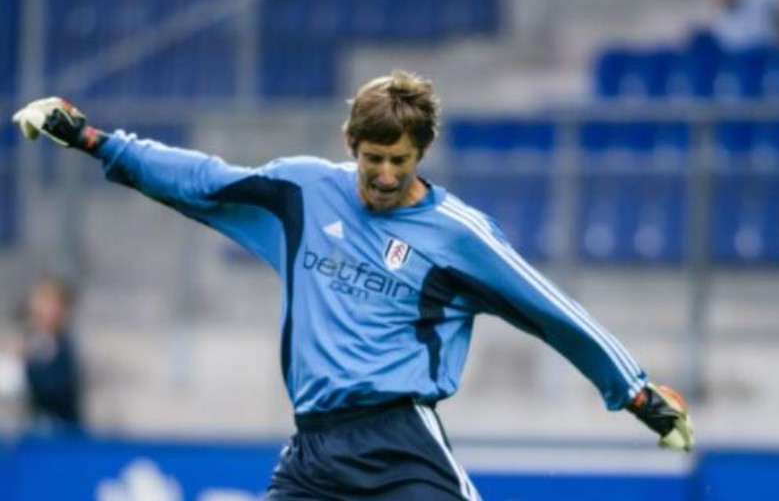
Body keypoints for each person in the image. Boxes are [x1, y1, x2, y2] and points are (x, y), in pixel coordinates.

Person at [12, 75, 693, 499]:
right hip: (313, 452)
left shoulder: (458, 235)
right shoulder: (304, 191)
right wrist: (93, 139)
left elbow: (550, 310)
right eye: (374, 159)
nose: (386, 175)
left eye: (400, 161)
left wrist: (632, 391)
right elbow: (200, 179)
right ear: (350, 144)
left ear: (419, 154)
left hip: (401, 447)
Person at [0, 278, 83, 432]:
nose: (44, 309)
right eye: (41, 301)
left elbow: (56, 390)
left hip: (59, 434)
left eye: (51, 302)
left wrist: (27, 368)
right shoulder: (25, 340)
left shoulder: (66, 348)